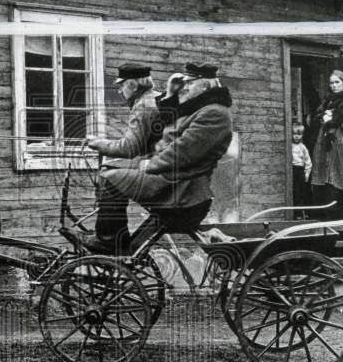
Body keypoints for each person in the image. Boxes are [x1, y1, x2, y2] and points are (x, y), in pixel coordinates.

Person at [85, 61, 233, 253]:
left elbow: (182, 151)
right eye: (184, 82)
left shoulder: (214, 113)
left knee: (110, 178)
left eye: (190, 82)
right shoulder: (201, 108)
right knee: (114, 177)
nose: (185, 87)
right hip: (178, 186)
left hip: (182, 193)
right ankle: (115, 242)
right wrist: (171, 95)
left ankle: (109, 241)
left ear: (205, 83)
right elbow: (169, 128)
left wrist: (149, 165)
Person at [83, 62, 162, 252]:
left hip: (158, 170)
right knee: (111, 168)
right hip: (158, 162)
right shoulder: (153, 99)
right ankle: (115, 235)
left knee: (111, 179)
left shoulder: (143, 106)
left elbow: (129, 148)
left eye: (121, 85)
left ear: (133, 85)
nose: (119, 91)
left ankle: (110, 240)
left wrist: (96, 143)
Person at [309, 70, 343, 220]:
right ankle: (323, 216)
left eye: (337, 82)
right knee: (322, 177)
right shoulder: (327, 101)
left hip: (340, 144)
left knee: (338, 176)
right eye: (331, 83)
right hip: (323, 143)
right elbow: (313, 119)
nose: (334, 85)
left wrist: (331, 117)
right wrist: (325, 116)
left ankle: (338, 216)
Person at [291, 123, 313, 217]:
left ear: (302, 135)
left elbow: (308, 162)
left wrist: (307, 174)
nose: (296, 136)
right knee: (293, 192)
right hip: (292, 170)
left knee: (300, 193)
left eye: (299, 134)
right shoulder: (290, 146)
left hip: (300, 171)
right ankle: (294, 213)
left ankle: (300, 213)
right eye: (294, 133)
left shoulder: (302, 147)